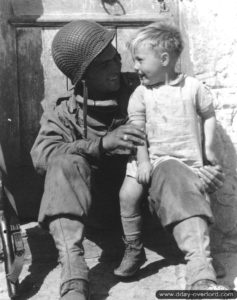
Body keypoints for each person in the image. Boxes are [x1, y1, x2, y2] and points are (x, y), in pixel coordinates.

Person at [30, 20, 225, 300]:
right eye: (104, 65)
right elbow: (41, 156)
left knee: (170, 166)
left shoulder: (146, 88)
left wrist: (207, 168)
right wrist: (100, 145)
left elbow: (189, 125)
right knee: (63, 161)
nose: (116, 68)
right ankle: (74, 278)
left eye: (116, 58)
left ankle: (200, 272)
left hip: (153, 206)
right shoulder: (65, 113)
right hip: (96, 210)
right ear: (82, 76)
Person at [114, 21, 221, 281]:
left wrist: (208, 149)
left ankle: (205, 256)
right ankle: (134, 247)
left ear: (164, 59)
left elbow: (208, 115)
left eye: (140, 60)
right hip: (149, 156)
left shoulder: (193, 88)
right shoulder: (141, 94)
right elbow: (138, 130)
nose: (135, 67)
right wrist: (142, 162)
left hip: (186, 159)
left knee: (197, 196)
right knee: (127, 195)